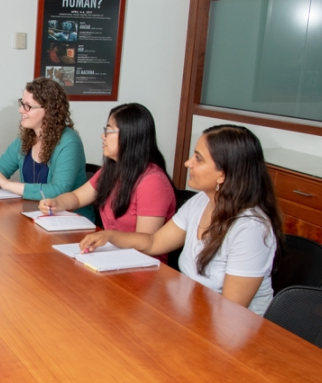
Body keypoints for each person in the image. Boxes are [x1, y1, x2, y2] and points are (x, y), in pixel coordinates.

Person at [79, 125, 284, 316]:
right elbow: (154, 242)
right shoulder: (201, 201)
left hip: (233, 333)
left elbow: (231, 311)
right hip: (190, 311)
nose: (188, 163)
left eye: (199, 158)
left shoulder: (251, 229)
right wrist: (110, 236)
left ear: (222, 175)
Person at [39, 103, 176, 261]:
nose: (102, 136)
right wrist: (56, 203)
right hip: (112, 257)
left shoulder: (153, 182)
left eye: (109, 130)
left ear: (130, 136)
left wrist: (109, 237)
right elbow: (77, 198)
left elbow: (146, 244)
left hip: (140, 267)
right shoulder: (112, 169)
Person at [0, 77, 93, 220]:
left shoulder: (69, 142)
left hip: (70, 221)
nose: (20, 110)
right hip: (35, 215)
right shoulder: (26, 138)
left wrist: (8, 185)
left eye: (27, 106)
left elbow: (58, 190)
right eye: (21, 104)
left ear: (48, 110)